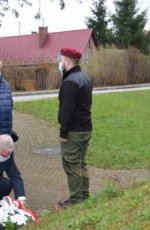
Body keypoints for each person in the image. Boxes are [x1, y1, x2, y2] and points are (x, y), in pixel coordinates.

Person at [57, 47, 93, 209]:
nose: (60, 62)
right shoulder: (84, 77)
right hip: (86, 128)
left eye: (61, 59)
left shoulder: (70, 81)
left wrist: (63, 131)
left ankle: (76, 199)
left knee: (72, 164)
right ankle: (84, 195)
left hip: (74, 131)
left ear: (66, 60)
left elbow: (67, 110)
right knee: (81, 162)